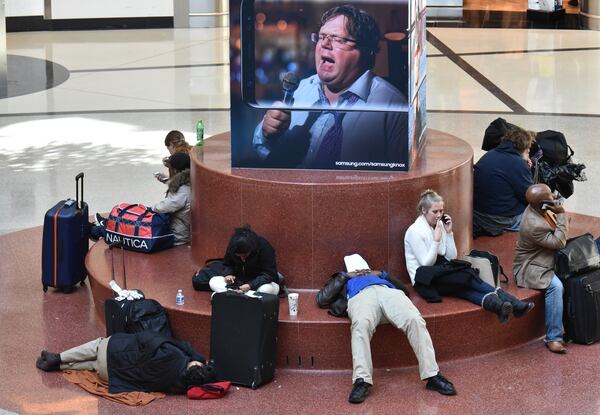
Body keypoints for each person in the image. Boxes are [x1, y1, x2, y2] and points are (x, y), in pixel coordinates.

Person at [252, 5, 408, 169]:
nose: (325, 44)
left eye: (339, 39)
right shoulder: (300, 89)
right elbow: (262, 149)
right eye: (321, 37)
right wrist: (266, 134)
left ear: (365, 51)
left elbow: (399, 180)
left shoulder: (392, 105)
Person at [316, 254, 456, 403]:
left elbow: (405, 290)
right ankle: (362, 380)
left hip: (388, 293)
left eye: (363, 269)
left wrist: (383, 274)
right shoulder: (344, 279)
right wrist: (345, 276)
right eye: (356, 270)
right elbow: (322, 299)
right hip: (361, 297)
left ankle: (432, 375)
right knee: (361, 325)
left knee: (414, 319)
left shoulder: (380, 276)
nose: (361, 271)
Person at [405, 190, 533, 323]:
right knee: (466, 277)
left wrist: (448, 234)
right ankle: (513, 303)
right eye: (435, 211)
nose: (439, 215)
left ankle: (500, 306)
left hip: (439, 269)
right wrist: (436, 240)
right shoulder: (415, 231)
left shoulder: (438, 225)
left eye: (441, 211)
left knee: (462, 287)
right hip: (424, 280)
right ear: (423, 210)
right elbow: (426, 265)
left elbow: (450, 256)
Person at [35, 331, 215, 394]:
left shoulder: (175, 354)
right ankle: (59, 367)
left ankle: (58, 358)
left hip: (111, 352)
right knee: (94, 366)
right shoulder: (178, 387)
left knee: (97, 346)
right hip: (112, 376)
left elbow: (151, 338)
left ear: (197, 365)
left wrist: (194, 356)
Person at [513, 183, 569, 354]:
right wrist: (561, 216)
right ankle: (553, 337)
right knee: (555, 286)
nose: (554, 196)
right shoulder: (535, 224)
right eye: (551, 196)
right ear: (543, 205)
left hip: (546, 256)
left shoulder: (537, 208)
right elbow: (559, 242)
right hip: (531, 266)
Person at [92, 152, 191, 245]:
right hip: (175, 228)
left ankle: (96, 230)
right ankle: (105, 224)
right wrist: (168, 181)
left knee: (130, 229)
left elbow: (164, 207)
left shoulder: (183, 193)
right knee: (134, 219)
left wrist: (149, 209)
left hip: (174, 235)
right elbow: (179, 190)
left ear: (175, 170)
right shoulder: (190, 183)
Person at [473, 127, 535, 237]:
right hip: (499, 220)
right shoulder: (518, 164)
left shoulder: (490, 154)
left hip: (477, 213)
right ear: (524, 147)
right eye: (529, 148)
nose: (529, 151)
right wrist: (526, 169)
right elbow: (529, 196)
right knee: (539, 214)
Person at [209, 226, 280, 295]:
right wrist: (228, 274)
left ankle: (231, 295)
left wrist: (251, 285)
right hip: (238, 284)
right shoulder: (233, 246)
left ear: (251, 249)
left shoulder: (264, 247)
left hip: (259, 284)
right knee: (213, 281)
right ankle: (243, 296)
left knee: (266, 290)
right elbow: (227, 264)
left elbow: (269, 274)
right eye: (238, 256)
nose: (242, 258)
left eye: (244, 255)